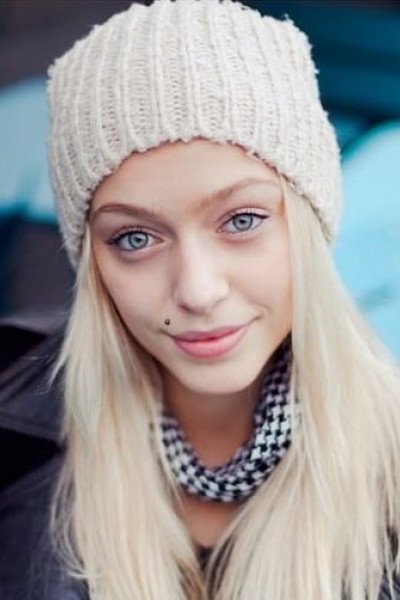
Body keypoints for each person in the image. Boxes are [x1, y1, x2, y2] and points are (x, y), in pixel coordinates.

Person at [1, 0, 400, 598]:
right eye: (135, 238)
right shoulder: (16, 442)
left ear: (310, 224)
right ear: (92, 261)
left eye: (241, 220)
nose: (198, 290)